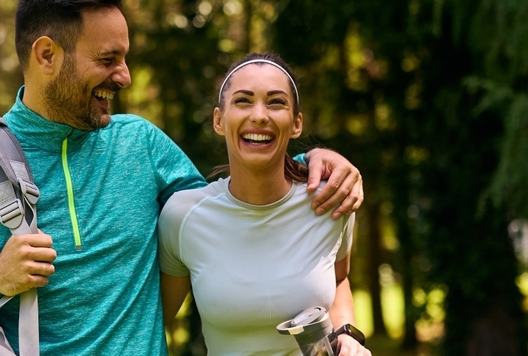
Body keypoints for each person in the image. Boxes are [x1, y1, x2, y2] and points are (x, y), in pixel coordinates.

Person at [0, 1, 364, 355]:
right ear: (47, 55)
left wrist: (313, 160)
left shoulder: (141, 144)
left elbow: (232, 202)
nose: (125, 76)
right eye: (108, 59)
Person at [159, 53, 371, 356]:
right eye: (243, 101)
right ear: (219, 120)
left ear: (296, 123)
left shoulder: (330, 201)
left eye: (276, 102)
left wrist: (348, 334)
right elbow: (154, 322)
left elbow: (339, 280)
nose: (259, 115)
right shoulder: (183, 217)